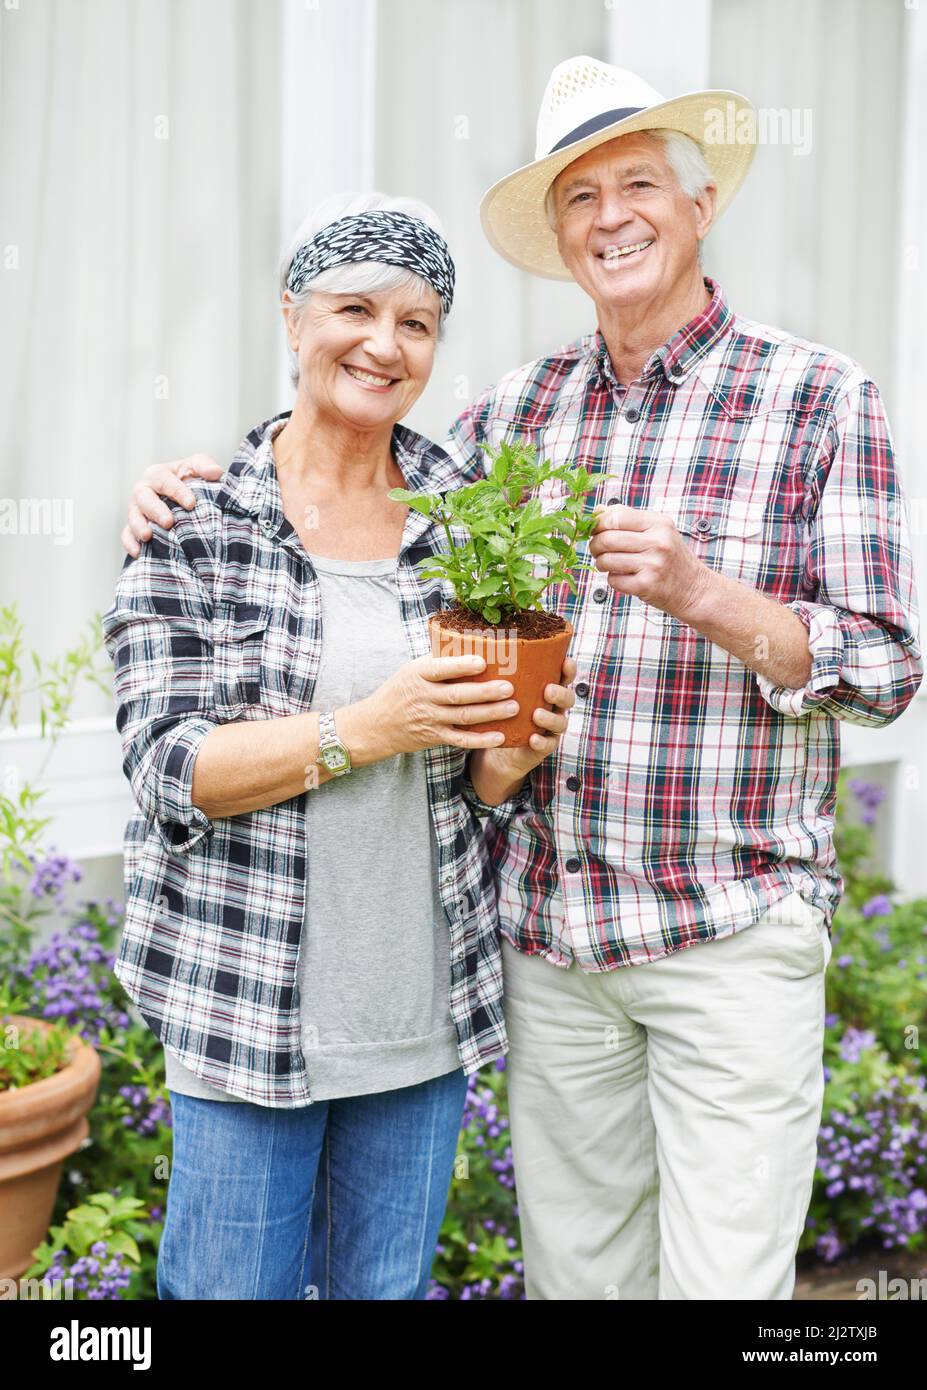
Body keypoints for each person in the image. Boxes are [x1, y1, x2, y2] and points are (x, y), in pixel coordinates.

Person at [120, 58, 923, 1301]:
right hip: (548, 936)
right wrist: (176, 489)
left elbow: (885, 669)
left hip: (729, 927)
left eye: (640, 183)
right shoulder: (514, 421)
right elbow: (339, 496)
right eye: (581, 195)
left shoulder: (819, 397)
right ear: (559, 235)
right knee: (576, 1287)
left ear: (700, 205)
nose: (612, 216)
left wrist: (706, 594)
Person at [102, 190, 574, 1301]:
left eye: (416, 323)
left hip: (416, 1023)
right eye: (354, 308)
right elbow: (171, 768)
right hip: (242, 1007)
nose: (383, 343)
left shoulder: (465, 514)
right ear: (292, 316)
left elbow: (474, 783)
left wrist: (511, 754)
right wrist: (368, 729)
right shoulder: (203, 523)